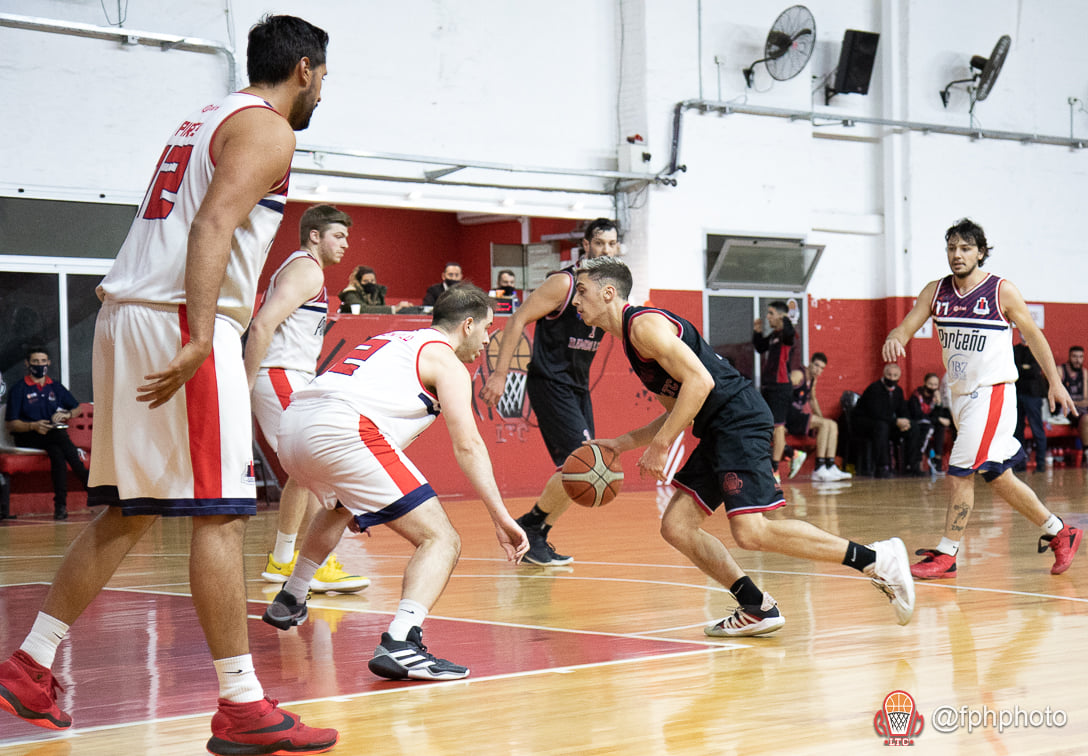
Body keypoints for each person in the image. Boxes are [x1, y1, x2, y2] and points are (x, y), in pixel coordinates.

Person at [0, 16, 340, 755]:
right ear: (306, 69)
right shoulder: (270, 128)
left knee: (130, 510)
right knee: (219, 513)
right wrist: (195, 334)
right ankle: (242, 705)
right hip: (180, 320)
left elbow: (169, 218)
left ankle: (30, 662)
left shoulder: (201, 117)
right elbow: (213, 224)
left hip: (127, 312)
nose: (323, 90)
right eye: (325, 77)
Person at [570, 256, 914, 634]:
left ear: (608, 293)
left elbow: (701, 384)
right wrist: (623, 443)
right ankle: (756, 606)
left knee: (751, 531)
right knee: (677, 526)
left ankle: (876, 559)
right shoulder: (633, 342)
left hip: (739, 419)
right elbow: (677, 409)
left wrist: (663, 445)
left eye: (582, 291)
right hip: (719, 427)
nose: (575, 300)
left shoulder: (644, 327)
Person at [261, 285, 528, 679]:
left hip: (293, 428)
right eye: (487, 328)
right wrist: (500, 516)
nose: (488, 339)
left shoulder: (391, 339)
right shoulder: (447, 362)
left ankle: (293, 594)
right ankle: (401, 642)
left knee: (340, 508)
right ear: (468, 325)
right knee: (441, 539)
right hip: (342, 428)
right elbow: (468, 444)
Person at [883, 218, 1082, 579]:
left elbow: (1034, 336)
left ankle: (947, 554)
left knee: (960, 471)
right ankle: (1061, 531)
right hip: (961, 398)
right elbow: (908, 324)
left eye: (964, 248)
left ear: (980, 252)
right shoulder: (935, 291)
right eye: (951, 248)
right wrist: (894, 336)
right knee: (998, 477)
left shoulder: (1000, 291)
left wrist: (1055, 381)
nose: (956, 255)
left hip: (993, 394)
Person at [479, 218, 619, 565]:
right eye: (600, 243)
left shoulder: (608, 290)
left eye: (612, 244)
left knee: (580, 469)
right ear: (585, 245)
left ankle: (534, 531)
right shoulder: (565, 284)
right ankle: (532, 528)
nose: (606, 250)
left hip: (578, 387)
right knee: (584, 465)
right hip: (549, 381)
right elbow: (517, 319)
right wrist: (499, 374)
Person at [245, 203, 368, 594]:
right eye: (339, 235)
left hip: (286, 375)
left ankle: (283, 560)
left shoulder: (305, 269)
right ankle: (319, 563)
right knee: (315, 466)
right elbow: (262, 323)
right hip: (278, 374)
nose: (346, 244)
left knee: (301, 474)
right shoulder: (306, 268)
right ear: (314, 235)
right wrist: (245, 382)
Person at [4, 346, 89, 520]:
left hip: (51, 436)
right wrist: (33, 426)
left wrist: (66, 414)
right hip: (28, 436)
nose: (40, 365)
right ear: (27, 364)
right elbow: (12, 424)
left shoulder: (55, 386)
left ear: (48, 363)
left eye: (43, 361)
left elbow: (77, 408)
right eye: (35, 361)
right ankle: (90, 484)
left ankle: (60, 507)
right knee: (60, 439)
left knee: (57, 453)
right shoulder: (19, 389)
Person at [786, 352, 851, 481]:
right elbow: (781, 392)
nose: (818, 370)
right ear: (810, 363)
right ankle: (819, 468)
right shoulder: (799, 375)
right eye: (816, 365)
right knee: (825, 424)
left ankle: (829, 465)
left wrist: (821, 418)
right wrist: (779, 421)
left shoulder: (813, 380)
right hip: (788, 417)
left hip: (798, 416)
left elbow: (813, 400)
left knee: (831, 424)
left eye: (821, 368)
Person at [752, 301, 795, 481]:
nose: (767, 316)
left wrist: (786, 318)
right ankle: (790, 452)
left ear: (780, 315)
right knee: (768, 425)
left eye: (771, 313)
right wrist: (757, 331)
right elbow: (760, 347)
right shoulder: (774, 336)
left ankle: (774, 471)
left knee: (778, 428)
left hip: (781, 386)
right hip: (769, 386)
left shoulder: (786, 335)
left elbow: (790, 332)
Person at [853, 363, 919, 477]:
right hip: (866, 423)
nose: (892, 378)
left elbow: (903, 410)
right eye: (889, 375)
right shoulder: (874, 388)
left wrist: (906, 422)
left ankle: (911, 465)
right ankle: (882, 467)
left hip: (887, 422)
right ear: (884, 375)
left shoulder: (898, 391)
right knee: (881, 426)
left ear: (899, 377)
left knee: (914, 427)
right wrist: (896, 422)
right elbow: (876, 413)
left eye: (895, 376)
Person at [1013, 338, 1048, 472]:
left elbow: (1035, 370)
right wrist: (1024, 368)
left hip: (1033, 395)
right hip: (1017, 393)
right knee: (1017, 431)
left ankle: (1041, 464)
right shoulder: (1015, 349)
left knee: (1037, 429)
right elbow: (1014, 368)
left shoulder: (1037, 347)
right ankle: (1019, 463)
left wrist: (1023, 368)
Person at [907, 373, 952, 474]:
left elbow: (938, 415)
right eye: (930, 384)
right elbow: (917, 414)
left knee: (940, 427)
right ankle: (916, 462)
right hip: (918, 423)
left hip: (930, 422)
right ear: (925, 383)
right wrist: (937, 419)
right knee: (929, 427)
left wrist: (938, 403)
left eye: (935, 385)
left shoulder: (935, 396)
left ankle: (938, 460)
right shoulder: (916, 395)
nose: (932, 387)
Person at [339, 265, 412, 313]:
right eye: (365, 281)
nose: (370, 283)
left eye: (372, 280)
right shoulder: (350, 293)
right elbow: (363, 309)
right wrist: (394, 309)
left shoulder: (377, 292)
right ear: (359, 281)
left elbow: (381, 309)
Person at [1059, 345, 1088, 462]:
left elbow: (1086, 398)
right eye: (1075, 356)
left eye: (1081, 357)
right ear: (1069, 357)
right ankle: (1086, 451)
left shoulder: (1084, 373)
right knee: (1086, 419)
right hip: (1065, 409)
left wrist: (1073, 400)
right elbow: (1057, 397)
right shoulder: (1061, 370)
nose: (1078, 360)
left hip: (1080, 407)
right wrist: (1074, 402)